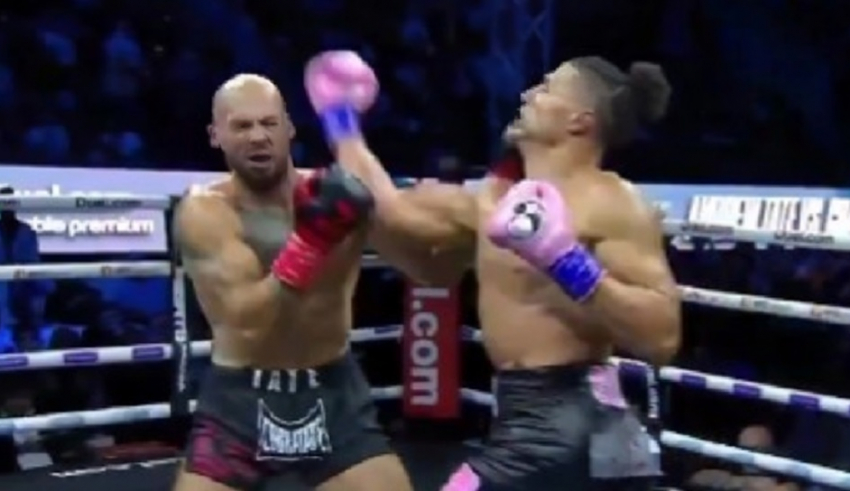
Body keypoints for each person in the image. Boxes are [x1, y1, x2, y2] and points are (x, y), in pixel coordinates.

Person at [305, 52, 682, 490]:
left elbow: (661, 337)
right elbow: (392, 211)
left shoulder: (611, 201)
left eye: (546, 89)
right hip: (531, 421)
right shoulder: (494, 202)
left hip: (577, 421)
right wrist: (340, 121)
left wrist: (565, 260)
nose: (528, 94)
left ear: (580, 121)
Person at [172, 74, 414, 491]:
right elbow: (246, 321)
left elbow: (420, 261)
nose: (258, 136)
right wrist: (310, 242)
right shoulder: (205, 212)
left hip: (333, 393)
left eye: (269, 123)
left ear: (289, 128)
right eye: (242, 126)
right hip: (239, 401)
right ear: (216, 135)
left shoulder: (339, 193)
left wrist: (390, 206)